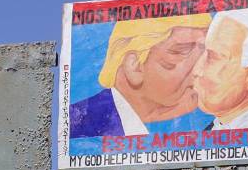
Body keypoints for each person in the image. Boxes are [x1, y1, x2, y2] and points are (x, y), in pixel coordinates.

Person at [70, 14, 211, 138]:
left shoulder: (202, 126)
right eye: (181, 51)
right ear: (134, 65)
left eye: (207, 55)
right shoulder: (76, 125)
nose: (199, 69)